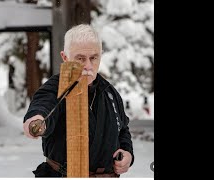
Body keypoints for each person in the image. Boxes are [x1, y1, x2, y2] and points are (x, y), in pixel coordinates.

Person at [23, 24, 134, 177]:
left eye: (93, 58)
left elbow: (123, 129)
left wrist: (127, 153)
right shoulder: (55, 88)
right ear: (65, 57)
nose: (88, 66)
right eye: (80, 58)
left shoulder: (110, 92)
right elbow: (43, 106)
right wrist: (36, 122)